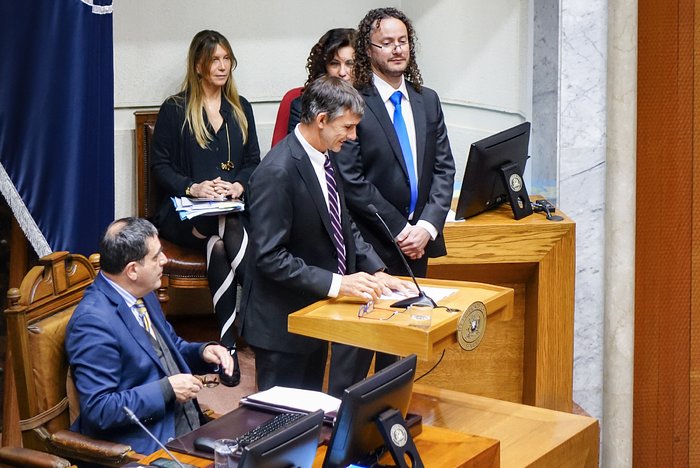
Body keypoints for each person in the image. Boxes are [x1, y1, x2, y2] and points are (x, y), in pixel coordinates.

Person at [240, 76, 415, 392]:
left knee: (310, 423)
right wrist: (339, 283)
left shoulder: (324, 154)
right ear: (321, 120)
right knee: (281, 429)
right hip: (283, 326)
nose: (353, 136)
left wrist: (376, 270)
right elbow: (270, 257)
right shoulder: (276, 172)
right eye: (347, 127)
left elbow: (342, 223)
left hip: (314, 314)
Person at [329, 7, 456, 396]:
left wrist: (427, 227)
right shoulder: (355, 103)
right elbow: (352, 181)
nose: (397, 49)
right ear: (369, 49)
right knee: (356, 354)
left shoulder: (426, 100)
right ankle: (337, 440)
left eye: (403, 41)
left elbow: (445, 168)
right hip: (372, 248)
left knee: (402, 355)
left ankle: (388, 430)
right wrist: (401, 229)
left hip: (419, 246)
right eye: (386, 43)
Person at [65, 217, 234, 455]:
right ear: (132, 270)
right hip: (149, 448)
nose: (164, 260)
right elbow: (99, 410)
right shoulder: (92, 322)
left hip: (188, 429)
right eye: (156, 257)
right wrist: (166, 390)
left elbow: (167, 348)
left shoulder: (141, 293)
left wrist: (202, 353)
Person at [150, 30, 261, 386]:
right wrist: (193, 187)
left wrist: (239, 184)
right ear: (198, 65)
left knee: (218, 244)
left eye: (227, 59)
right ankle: (264, 312)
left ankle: (227, 350)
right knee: (225, 227)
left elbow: (255, 162)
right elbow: (160, 165)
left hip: (226, 213)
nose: (222, 66)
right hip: (184, 214)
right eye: (215, 59)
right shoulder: (176, 108)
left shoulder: (241, 108)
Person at [287, 28, 357, 133]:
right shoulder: (302, 106)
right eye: (334, 63)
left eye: (350, 64)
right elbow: (297, 148)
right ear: (324, 67)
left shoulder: (376, 102)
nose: (342, 72)